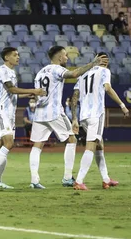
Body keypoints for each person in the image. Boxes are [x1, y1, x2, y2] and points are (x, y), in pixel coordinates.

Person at [29, 47, 107, 189]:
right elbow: (74, 73)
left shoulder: (40, 73)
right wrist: (93, 64)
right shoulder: (57, 69)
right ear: (59, 58)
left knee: (37, 145)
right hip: (53, 112)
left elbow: (36, 93)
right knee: (72, 140)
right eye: (65, 55)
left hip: (39, 113)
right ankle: (67, 177)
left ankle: (34, 180)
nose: (67, 58)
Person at [0, 47, 46, 189]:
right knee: (9, 143)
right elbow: (11, 89)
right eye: (14, 55)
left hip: (9, 113)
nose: (18, 57)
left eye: (18, 55)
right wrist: (33, 90)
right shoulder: (2, 70)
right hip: (1, 112)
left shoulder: (11, 72)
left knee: (3, 146)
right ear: (7, 57)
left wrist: (28, 95)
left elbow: (12, 94)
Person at [70, 53, 129, 190]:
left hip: (84, 115)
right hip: (96, 114)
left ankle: (106, 179)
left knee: (99, 145)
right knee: (91, 146)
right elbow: (108, 88)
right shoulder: (104, 71)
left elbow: (75, 96)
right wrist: (122, 105)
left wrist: (74, 118)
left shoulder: (83, 74)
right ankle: (79, 181)